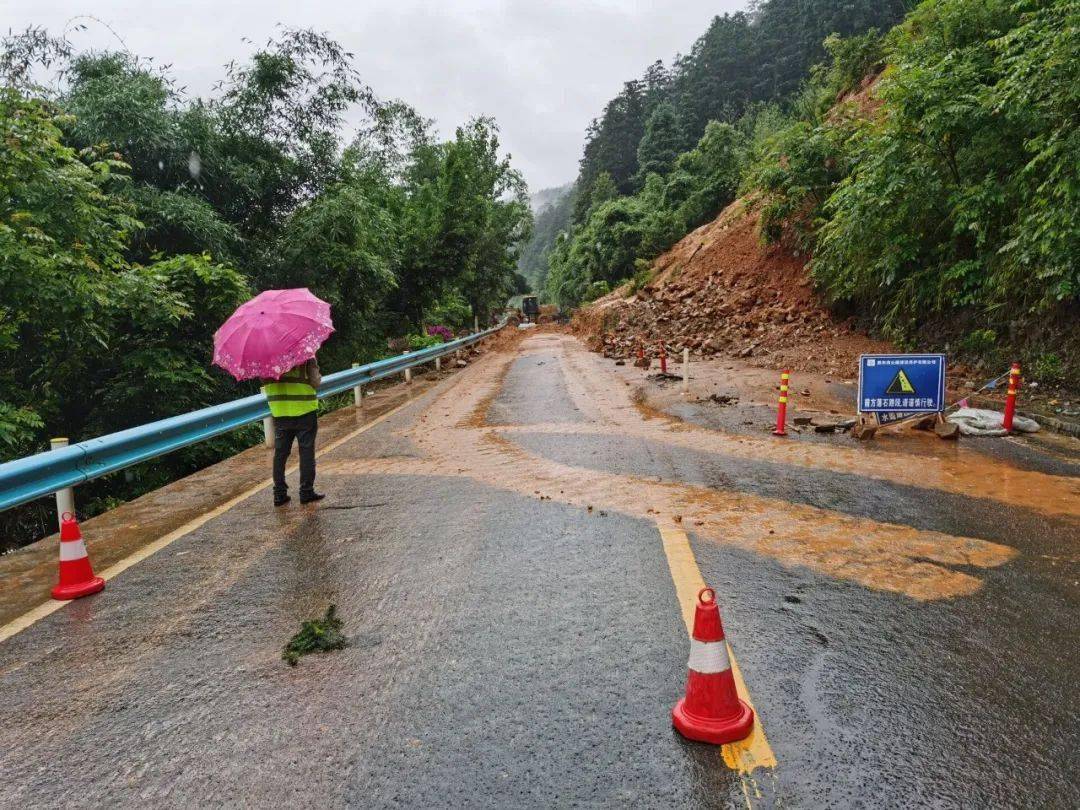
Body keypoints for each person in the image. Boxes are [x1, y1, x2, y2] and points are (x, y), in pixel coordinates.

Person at [263, 357, 325, 506]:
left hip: (281, 412)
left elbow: (265, 382)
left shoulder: (265, 358)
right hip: (305, 410)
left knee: (280, 454)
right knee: (306, 452)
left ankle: (279, 494)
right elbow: (315, 382)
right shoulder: (306, 354)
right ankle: (306, 492)